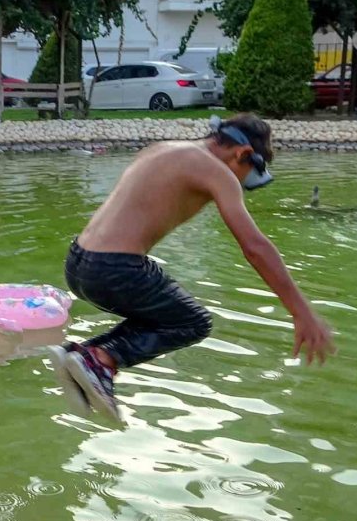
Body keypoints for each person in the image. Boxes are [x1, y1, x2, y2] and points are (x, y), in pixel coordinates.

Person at [48, 114, 336, 422]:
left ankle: (82, 356)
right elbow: (255, 247)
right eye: (244, 175)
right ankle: (99, 359)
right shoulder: (217, 171)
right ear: (241, 154)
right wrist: (300, 311)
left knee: (162, 315)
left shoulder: (162, 148)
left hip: (78, 262)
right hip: (116, 268)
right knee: (193, 322)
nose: (238, 184)